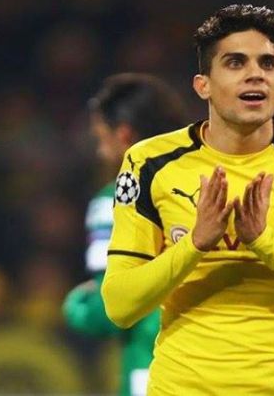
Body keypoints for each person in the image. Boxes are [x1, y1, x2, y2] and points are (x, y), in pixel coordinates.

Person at [101, 4, 274, 395]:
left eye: (268, 64)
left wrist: (264, 242)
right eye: (235, 62)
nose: (255, 74)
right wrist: (196, 244)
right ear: (203, 85)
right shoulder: (149, 162)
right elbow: (120, 305)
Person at [62, 73, 188, 396]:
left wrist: (76, 306)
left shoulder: (115, 202)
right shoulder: (215, 187)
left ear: (124, 136)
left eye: (101, 139)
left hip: (151, 372)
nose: (100, 152)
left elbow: (112, 309)